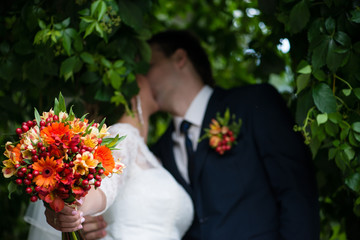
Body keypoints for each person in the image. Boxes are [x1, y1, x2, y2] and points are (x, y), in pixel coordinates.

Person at [82, 29, 320, 240]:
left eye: (148, 66)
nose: (140, 78)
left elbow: (296, 193)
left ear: (180, 59)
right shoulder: (157, 154)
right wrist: (94, 223)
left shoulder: (252, 104)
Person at [27, 74, 194, 239]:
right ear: (134, 87)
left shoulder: (151, 153)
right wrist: (75, 207)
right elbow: (104, 184)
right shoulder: (123, 136)